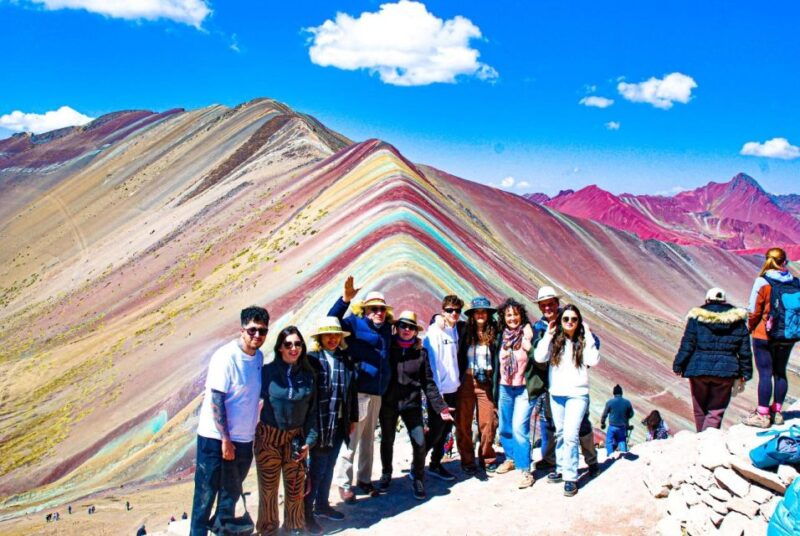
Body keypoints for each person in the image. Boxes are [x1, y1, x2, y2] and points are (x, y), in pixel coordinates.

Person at [191, 306, 269, 536]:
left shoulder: (259, 357)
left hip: (244, 439)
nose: (257, 335)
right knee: (205, 496)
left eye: (262, 331)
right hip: (215, 439)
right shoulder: (225, 356)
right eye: (253, 330)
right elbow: (216, 399)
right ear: (242, 329)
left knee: (230, 495)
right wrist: (225, 439)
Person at [329, 276, 394, 500]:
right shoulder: (355, 323)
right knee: (352, 438)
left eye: (381, 309)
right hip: (359, 392)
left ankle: (364, 479)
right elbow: (331, 321)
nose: (378, 312)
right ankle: (344, 483)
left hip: (377, 392)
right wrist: (344, 300)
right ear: (365, 310)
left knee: (368, 440)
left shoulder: (387, 328)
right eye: (373, 308)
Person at [377, 311, 453, 499]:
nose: (407, 330)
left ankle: (418, 476)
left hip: (411, 405)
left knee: (419, 442)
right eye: (403, 325)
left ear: (415, 331)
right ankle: (386, 473)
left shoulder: (420, 352)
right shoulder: (388, 348)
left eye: (411, 327)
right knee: (387, 440)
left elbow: (427, 382)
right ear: (397, 327)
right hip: (388, 403)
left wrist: (440, 406)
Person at [255, 327, 318, 536]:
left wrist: (309, 440)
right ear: (280, 347)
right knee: (268, 489)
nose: (293, 348)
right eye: (288, 344)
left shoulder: (309, 376)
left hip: (295, 438)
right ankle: (268, 529)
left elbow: (312, 411)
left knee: (295, 486)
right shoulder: (267, 373)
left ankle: (294, 526)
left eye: (298, 344)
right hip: (268, 437)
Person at [534, 304, 600, 497]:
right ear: (560, 321)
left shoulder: (583, 341)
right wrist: (548, 334)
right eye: (566, 319)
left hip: (577, 394)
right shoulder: (554, 340)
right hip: (557, 393)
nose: (570, 322)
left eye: (574, 319)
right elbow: (539, 356)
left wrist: (587, 334)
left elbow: (593, 360)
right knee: (561, 433)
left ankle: (570, 478)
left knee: (571, 434)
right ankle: (562, 468)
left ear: (579, 322)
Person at [304, 317, 358, 535]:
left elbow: (351, 393)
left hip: (337, 424)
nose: (333, 339)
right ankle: (306, 513)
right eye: (328, 335)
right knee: (316, 470)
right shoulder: (311, 360)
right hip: (317, 425)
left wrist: (352, 419)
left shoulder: (345, 360)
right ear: (320, 338)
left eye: (336, 335)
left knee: (329, 466)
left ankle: (322, 505)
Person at [673, 287, 752, 431]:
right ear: (724, 301)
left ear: (707, 300)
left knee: (700, 409)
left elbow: (688, 343)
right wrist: (746, 372)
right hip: (726, 371)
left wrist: (679, 364)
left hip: (698, 370)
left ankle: (701, 439)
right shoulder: (738, 320)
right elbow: (744, 349)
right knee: (716, 411)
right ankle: (708, 439)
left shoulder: (697, 317)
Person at [744, 247, 799, 428]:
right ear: (784, 262)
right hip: (787, 335)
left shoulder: (763, 281)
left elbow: (753, 311)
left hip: (764, 335)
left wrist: (750, 327)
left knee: (766, 373)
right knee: (780, 371)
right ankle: (777, 412)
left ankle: (762, 415)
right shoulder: (795, 282)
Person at [492, 298, 539, 489]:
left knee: (520, 428)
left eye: (515, 314)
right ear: (503, 316)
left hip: (523, 389)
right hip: (505, 387)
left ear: (521, 315)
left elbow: (540, 356)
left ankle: (525, 470)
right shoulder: (499, 336)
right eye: (508, 314)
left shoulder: (529, 334)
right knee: (504, 426)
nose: (512, 318)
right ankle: (510, 458)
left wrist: (529, 344)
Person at [454, 297, 500, 474]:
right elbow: (441, 321)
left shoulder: (495, 331)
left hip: (486, 382)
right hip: (466, 381)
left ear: (488, 314)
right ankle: (467, 460)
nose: (480, 314)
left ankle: (487, 457)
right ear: (472, 315)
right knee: (463, 422)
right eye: (477, 311)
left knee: (488, 422)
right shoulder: (463, 330)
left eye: (484, 311)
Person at [423, 295, 464, 481]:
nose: (454, 314)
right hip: (439, 393)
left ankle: (435, 464)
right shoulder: (434, 332)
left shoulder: (457, 331)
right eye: (449, 310)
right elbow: (432, 364)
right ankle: (417, 465)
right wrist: (438, 398)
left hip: (453, 389)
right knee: (435, 431)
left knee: (446, 430)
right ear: (442, 311)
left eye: (457, 310)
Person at [600, 385, 634, 456]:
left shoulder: (610, 402)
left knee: (609, 441)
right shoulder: (627, 402)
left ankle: (610, 455)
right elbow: (631, 414)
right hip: (622, 426)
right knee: (622, 440)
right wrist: (625, 418)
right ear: (621, 393)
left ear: (614, 393)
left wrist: (603, 423)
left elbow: (604, 415)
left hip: (612, 426)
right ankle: (624, 454)